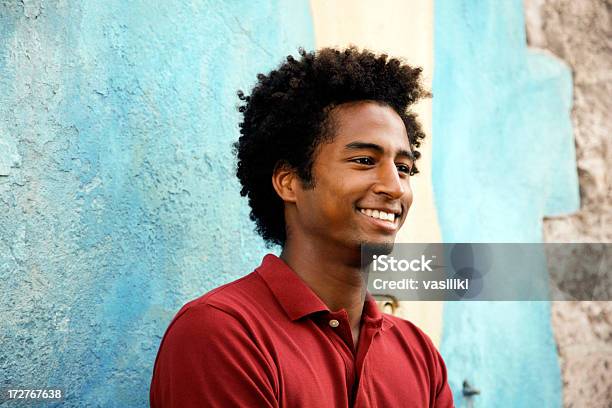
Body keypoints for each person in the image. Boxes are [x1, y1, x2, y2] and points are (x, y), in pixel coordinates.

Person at [150, 47, 454, 408]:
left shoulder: (419, 354)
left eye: (404, 168)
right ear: (288, 181)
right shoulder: (223, 333)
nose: (395, 186)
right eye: (363, 160)